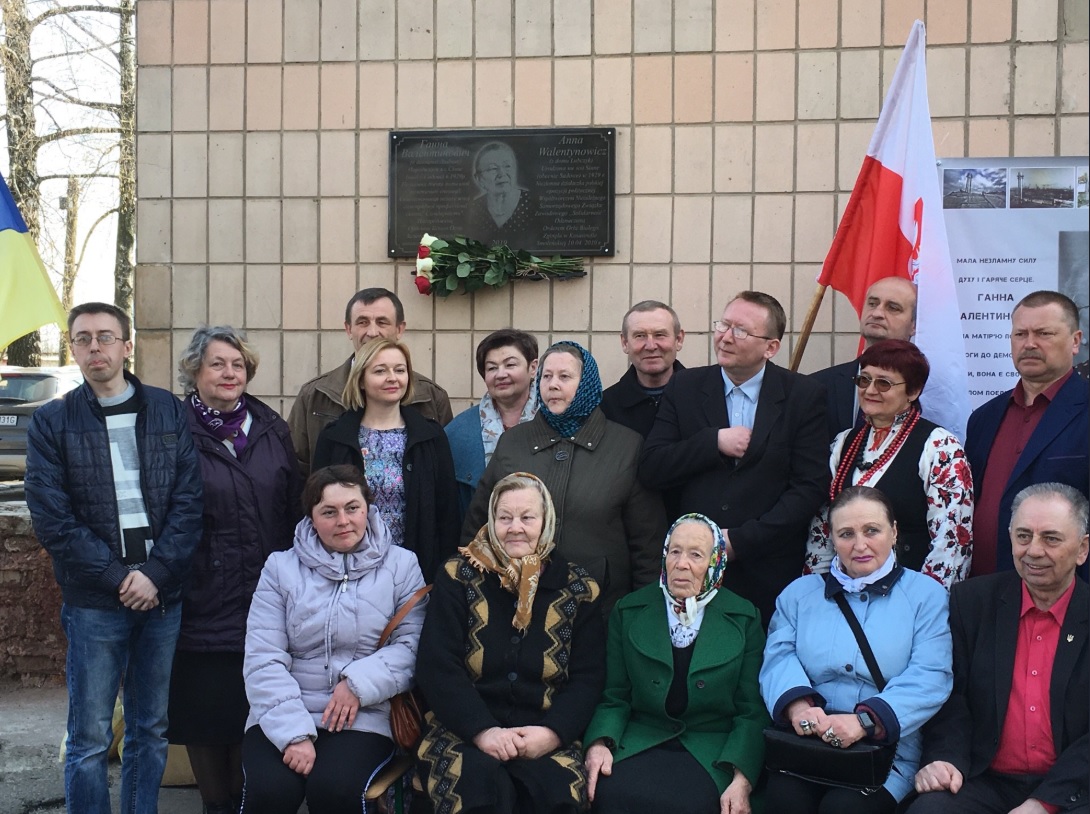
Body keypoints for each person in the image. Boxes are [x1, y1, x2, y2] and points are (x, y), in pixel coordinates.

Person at [25, 302, 202, 814]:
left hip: (161, 597)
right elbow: (53, 519)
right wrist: (119, 578)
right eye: (83, 339)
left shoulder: (167, 409)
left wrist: (156, 574)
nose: (94, 347)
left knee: (150, 728)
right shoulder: (52, 422)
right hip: (94, 601)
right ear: (73, 348)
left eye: (105, 337)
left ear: (127, 345)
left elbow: (190, 504)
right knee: (88, 736)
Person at [167, 326, 302, 814]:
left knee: (256, 712)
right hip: (202, 596)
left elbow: (291, 507)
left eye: (238, 364)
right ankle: (216, 806)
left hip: (265, 596)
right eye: (218, 364)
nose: (229, 373)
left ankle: (249, 803)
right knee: (207, 715)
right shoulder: (174, 428)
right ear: (195, 372)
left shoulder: (269, 426)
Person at [415, 472, 604, 814]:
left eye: (527, 517)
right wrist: (483, 731)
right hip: (462, 731)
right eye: (505, 517)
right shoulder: (459, 575)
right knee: (475, 797)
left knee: (557, 798)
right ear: (491, 520)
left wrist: (552, 734)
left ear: (546, 522)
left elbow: (587, 678)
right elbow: (438, 666)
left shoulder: (579, 588)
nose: (515, 527)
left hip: (545, 733)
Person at [241, 465, 426, 814]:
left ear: (368, 509)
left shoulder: (401, 565)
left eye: (352, 508)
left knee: (335, 789)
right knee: (271, 792)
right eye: (329, 512)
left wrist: (358, 683)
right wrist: (293, 733)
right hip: (283, 710)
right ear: (312, 518)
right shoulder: (280, 569)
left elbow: (413, 645)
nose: (343, 520)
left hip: (365, 714)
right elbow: (263, 656)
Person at [639, 290, 830, 627]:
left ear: (770, 347)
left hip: (770, 569)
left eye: (740, 330)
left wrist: (740, 541)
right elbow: (653, 467)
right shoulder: (685, 386)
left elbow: (810, 487)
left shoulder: (803, 396)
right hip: (693, 570)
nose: (725, 337)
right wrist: (711, 443)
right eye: (722, 325)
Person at [760, 486, 953, 813]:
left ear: (893, 532)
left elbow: (931, 675)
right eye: (846, 534)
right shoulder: (799, 594)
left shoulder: (926, 596)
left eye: (872, 531)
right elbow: (778, 657)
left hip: (885, 750)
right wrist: (798, 708)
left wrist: (865, 722)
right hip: (809, 743)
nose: (859, 545)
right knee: (783, 800)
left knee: (845, 809)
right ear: (832, 539)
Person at [908, 483, 1089, 814]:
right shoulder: (973, 602)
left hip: (1075, 788)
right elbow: (951, 696)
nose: (1033, 550)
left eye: (1051, 538)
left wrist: (1043, 802)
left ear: (1082, 549)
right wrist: (945, 759)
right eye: (1023, 536)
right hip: (986, 779)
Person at [463, 341, 666, 615]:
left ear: (587, 383)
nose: (553, 385)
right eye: (546, 376)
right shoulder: (513, 442)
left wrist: (643, 614)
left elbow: (647, 544)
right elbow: (477, 526)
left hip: (599, 609)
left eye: (565, 377)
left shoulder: (626, 446)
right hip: (514, 606)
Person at [583, 514, 768, 814]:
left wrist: (742, 778)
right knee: (610, 795)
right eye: (675, 551)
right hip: (641, 739)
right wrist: (599, 743)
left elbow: (752, 711)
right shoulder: (629, 610)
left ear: (715, 562)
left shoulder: (744, 617)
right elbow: (614, 695)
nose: (682, 563)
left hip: (712, 749)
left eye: (696, 554)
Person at [805, 340, 973, 588]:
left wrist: (925, 602)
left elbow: (951, 544)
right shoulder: (844, 443)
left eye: (884, 383)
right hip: (843, 591)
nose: (870, 390)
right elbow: (822, 529)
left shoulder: (940, 447)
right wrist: (818, 589)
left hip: (908, 594)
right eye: (864, 380)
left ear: (913, 392)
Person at [312, 337, 459, 582]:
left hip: (416, 571)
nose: (392, 378)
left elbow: (448, 513)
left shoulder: (430, 436)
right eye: (380, 371)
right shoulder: (335, 437)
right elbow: (316, 509)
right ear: (360, 379)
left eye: (400, 370)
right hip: (349, 571)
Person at [965, 291, 1088, 577]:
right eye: (1020, 334)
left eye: (1044, 333)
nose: (1029, 343)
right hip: (985, 592)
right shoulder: (984, 418)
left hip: (1067, 599)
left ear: (1075, 341)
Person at [288, 287, 453, 476]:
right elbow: (295, 469)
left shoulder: (431, 397)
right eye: (362, 322)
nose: (372, 332)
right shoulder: (314, 394)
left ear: (400, 329)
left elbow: (445, 473)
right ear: (349, 329)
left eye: (382, 322)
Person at [445, 328, 539, 520]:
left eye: (510, 365)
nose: (501, 374)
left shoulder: (555, 422)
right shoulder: (457, 433)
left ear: (533, 368)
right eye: (492, 368)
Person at [812, 276, 918, 441]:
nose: (877, 313)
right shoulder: (816, 387)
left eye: (893, 308)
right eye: (872, 303)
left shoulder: (931, 391)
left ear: (914, 325)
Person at [601, 300, 686, 438]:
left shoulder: (705, 399)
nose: (650, 346)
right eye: (640, 336)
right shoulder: (605, 408)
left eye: (660, 335)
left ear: (679, 339)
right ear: (625, 343)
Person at [465, 140, 538, 246]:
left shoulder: (533, 204)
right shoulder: (475, 208)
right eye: (493, 168)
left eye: (507, 166)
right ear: (479, 179)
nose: (502, 174)